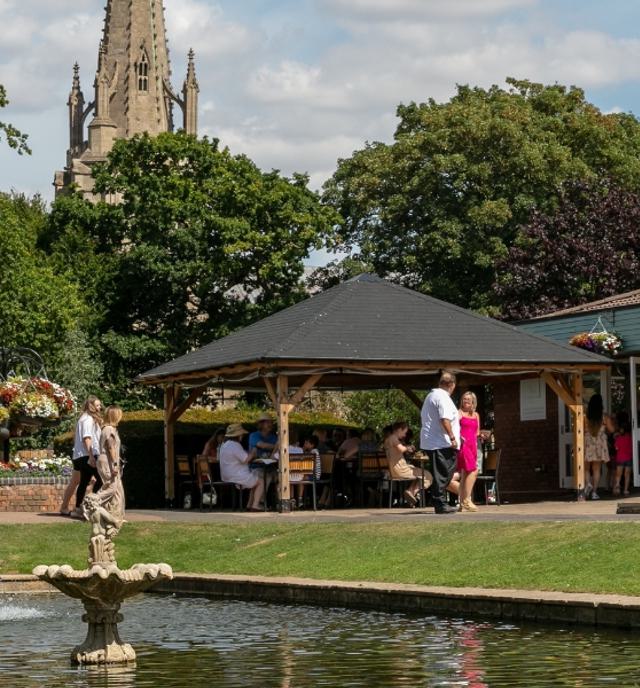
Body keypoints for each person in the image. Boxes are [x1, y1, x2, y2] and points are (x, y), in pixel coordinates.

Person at [420, 371, 460, 514]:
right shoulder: (442, 397)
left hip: (436, 442)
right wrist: (453, 437)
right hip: (440, 442)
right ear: (452, 384)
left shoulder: (432, 395)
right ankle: (440, 503)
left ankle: (440, 501)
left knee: (445, 472)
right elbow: (445, 419)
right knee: (443, 473)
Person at [60, 395, 103, 518]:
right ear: (91, 406)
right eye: (98, 405)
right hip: (86, 455)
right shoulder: (88, 419)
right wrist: (91, 456)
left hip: (79, 455)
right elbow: (87, 438)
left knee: (83, 482)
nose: (100, 407)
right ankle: (91, 506)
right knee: (101, 480)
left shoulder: (84, 419)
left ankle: (78, 508)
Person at [384, 421, 432, 506]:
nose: (405, 435)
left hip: (393, 470)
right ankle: (412, 492)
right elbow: (401, 449)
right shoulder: (393, 438)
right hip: (400, 470)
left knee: (417, 473)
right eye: (404, 432)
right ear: (399, 429)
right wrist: (408, 447)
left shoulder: (388, 439)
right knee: (427, 475)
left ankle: (410, 492)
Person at [219, 423, 264, 511]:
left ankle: (249, 505)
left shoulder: (224, 445)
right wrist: (254, 452)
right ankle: (255, 505)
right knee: (261, 481)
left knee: (255, 479)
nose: (242, 436)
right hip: (236, 476)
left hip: (227, 475)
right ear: (238, 435)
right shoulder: (235, 445)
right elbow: (245, 459)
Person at [96, 405, 125, 522]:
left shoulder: (109, 429)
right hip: (108, 462)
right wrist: (115, 465)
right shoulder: (109, 429)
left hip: (108, 461)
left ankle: (116, 515)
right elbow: (111, 448)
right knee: (111, 488)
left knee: (118, 490)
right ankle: (91, 502)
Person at [456, 391, 481, 512]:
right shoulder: (459, 413)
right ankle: (467, 499)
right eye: (464, 399)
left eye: (468, 399)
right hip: (463, 445)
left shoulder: (476, 415)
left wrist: (482, 436)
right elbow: (454, 428)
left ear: (473, 402)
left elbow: (477, 432)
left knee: (465, 474)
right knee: (474, 470)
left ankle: (461, 503)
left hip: (473, 446)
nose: (466, 401)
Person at [584, 393, 610, 500]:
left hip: (588, 443)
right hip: (599, 445)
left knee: (586, 468)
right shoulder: (604, 417)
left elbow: (579, 431)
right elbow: (612, 429)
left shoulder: (585, 417)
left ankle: (588, 483)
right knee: (597, 469)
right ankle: (594, 492)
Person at [290, 435, 322, 508]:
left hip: (314, 475)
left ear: (312, 445)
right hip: (309, 473)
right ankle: (293, 499)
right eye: (305, 442)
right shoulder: (310, 451)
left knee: (301, 478)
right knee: (295, 477)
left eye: (307, 443)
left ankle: (300, 500)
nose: (304, 444)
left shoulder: (314, 452)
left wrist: (302, 449)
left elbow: (308, 464)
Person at [613, 412, 632, 497]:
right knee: (627, 474)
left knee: (618, 474)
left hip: (620, 458)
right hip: (628, 458)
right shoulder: (630, 438)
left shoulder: (618, 438)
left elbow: (616, 448)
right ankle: (625, 490)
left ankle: (617, 488)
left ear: (621, 430)